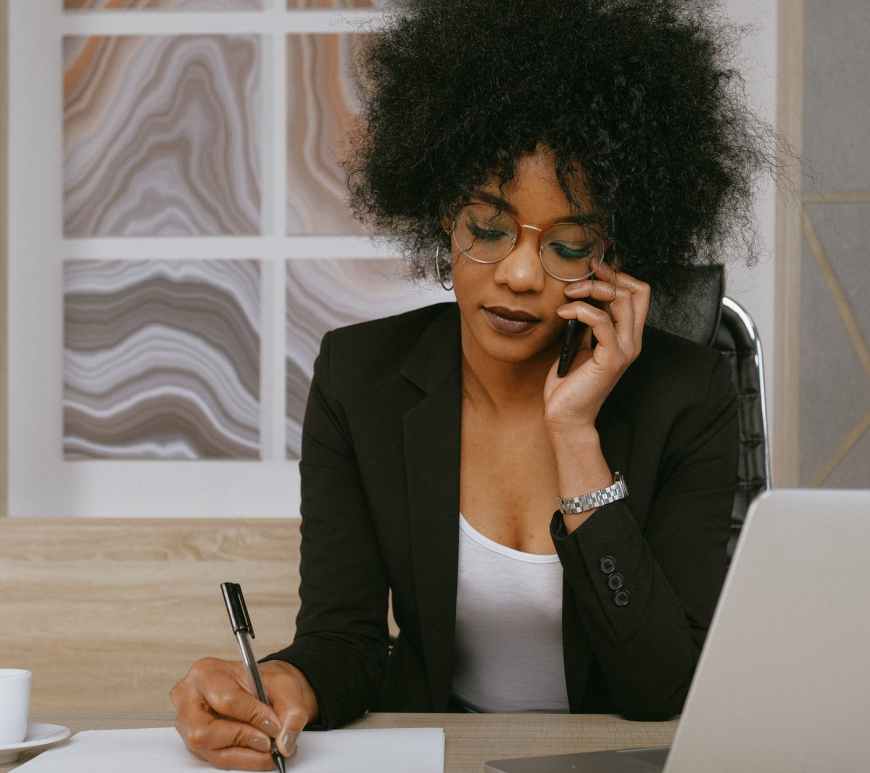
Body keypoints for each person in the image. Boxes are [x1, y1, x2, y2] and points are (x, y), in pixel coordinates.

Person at [170, 0, 775, 768]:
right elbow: (344, 641)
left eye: (568, 244)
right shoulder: (362, 380)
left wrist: (574, 435)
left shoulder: (686, 393)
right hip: (443, 753)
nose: (520, 275)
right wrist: (285, 680)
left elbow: (663, 686)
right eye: (488, 230)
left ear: (614, 253)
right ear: (439, 218)